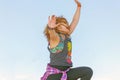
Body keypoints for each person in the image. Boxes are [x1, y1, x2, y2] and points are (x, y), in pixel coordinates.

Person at [41, 0, 93, 80]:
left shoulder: (67, 35)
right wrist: (51, 29)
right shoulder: (56, 38)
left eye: (67, 24)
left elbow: (75, 21)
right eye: (64, 25)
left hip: (66, 72)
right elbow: (52, 36)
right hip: (54, 76)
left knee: (87, 71)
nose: (67, 26)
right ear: (57, 28)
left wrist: (79, 7)